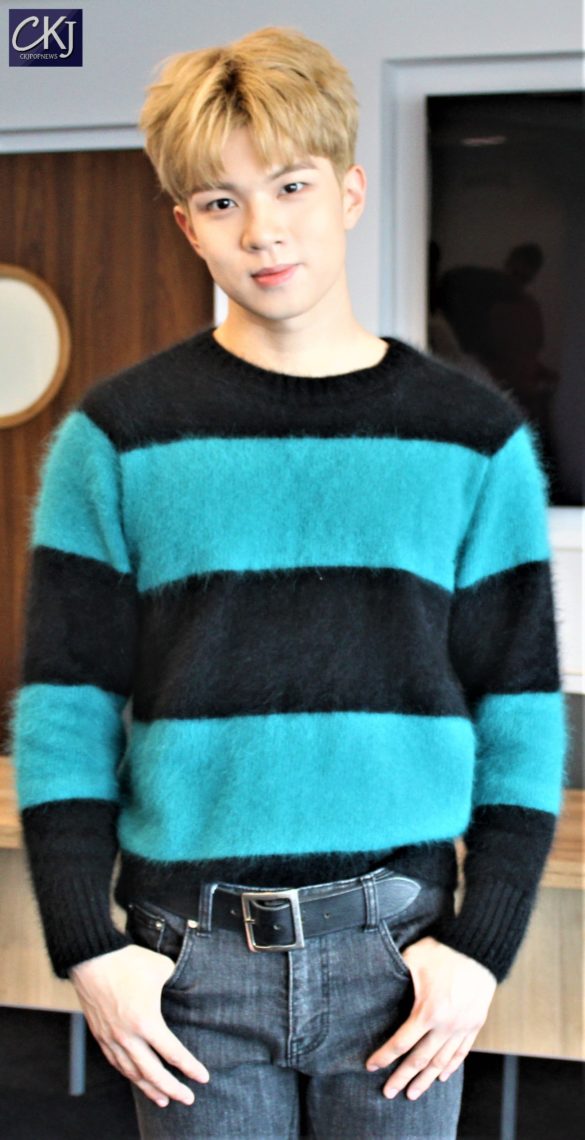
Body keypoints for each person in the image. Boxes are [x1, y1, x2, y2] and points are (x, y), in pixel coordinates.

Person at [9, 25, 568, 1140]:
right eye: (219, 201)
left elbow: (519, 710)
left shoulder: (472, 438)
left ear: (349, 191)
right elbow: (65, 710)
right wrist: (87, 947)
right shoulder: (115, 439)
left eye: (291, 185)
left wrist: (481, 947)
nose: (261, 229)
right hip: (185, 964)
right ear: (186, 226)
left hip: (402, 960)